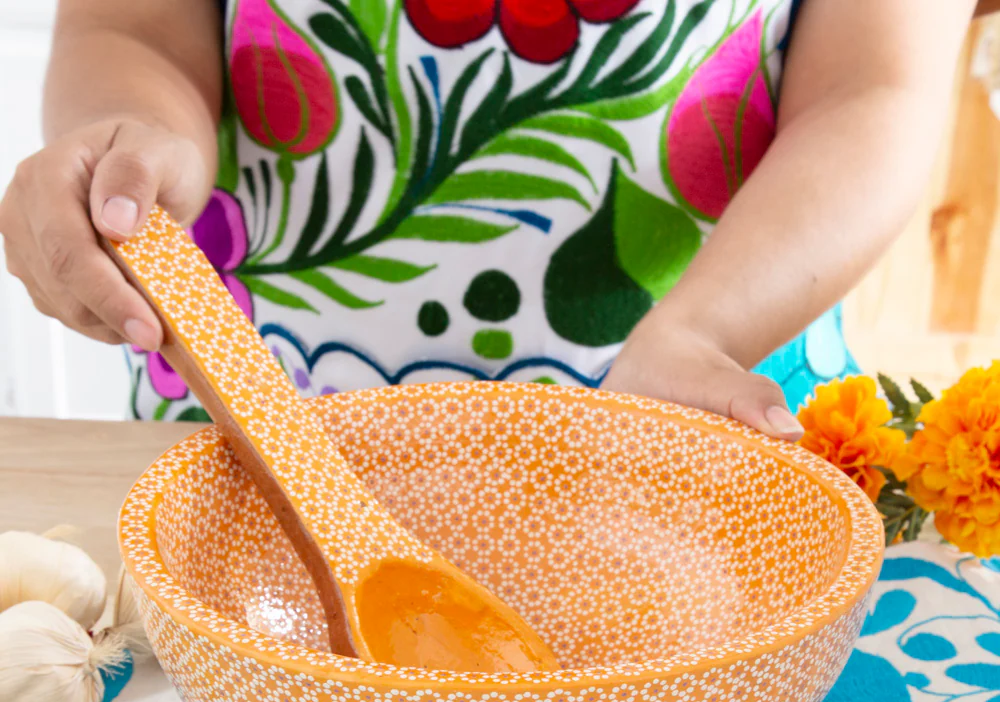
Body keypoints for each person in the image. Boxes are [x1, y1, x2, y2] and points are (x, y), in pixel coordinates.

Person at [0, 0, 977, 432]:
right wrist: (130, 138)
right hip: (258, 435)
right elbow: (128, 29)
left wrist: (705, 328)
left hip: (701, 420)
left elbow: (869, 90)